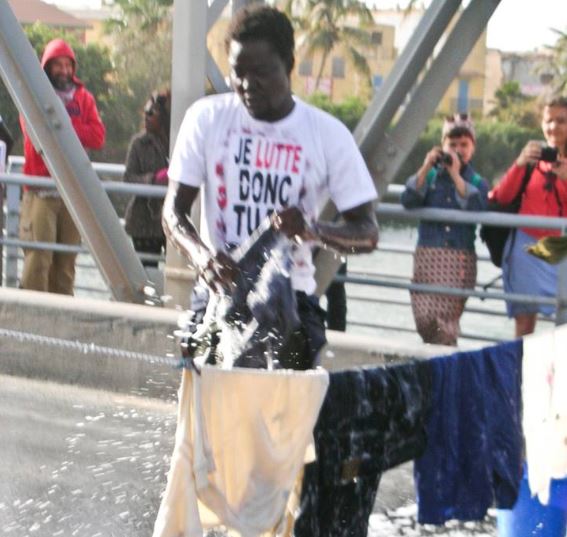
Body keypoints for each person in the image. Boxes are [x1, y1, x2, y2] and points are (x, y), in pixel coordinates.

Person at [162, 5, 378, 370]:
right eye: (237, 72)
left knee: (280, 425)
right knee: (206, 421)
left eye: (261, 73)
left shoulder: (327, 134)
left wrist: (311, 229)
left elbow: (368, 233)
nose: (247, 85)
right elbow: (173, 213)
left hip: (293, 301)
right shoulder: (206, 118)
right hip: (218, 297)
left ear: (289, 65)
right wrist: (203, 259)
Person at [19, 38, 105, 295]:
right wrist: (76, 128)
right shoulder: (34, 94)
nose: (64, 71)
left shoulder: (84, 97)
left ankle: (64, 324)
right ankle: (32, 321)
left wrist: (63, 125)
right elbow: (36, 137)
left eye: (68, 65)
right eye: (58, 65)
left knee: (66, 263)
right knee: (38, 260)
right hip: (40, 191)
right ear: (47, 67)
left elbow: (98, 136)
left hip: (72, 193)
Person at [401, 114, 488, 346]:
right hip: (428, 256)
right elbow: (408, 199)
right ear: (442, 146)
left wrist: (456, 175)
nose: (458, 149)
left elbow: (477, 206)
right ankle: (440, 364)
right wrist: (426, 165)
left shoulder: (477, 181)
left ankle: (441, 367)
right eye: (452, 144)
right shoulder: (430, 176)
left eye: (464, 145)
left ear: (473, 148)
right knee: (424, 316)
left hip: (458, 258)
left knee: (446, 324)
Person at [490, 95, 567, 337]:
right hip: (526, 249)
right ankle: (519, 373)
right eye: (549, 120)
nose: (553, 127)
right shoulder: (532, 160)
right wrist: (520, 163)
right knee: (524, 325)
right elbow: (502, 197)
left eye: (561, 120)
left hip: (562, 250)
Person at [123, 89, 170, 268]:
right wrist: (153, 180)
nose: (146, 116)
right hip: (144, 222)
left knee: (176, 275)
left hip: (171, 221)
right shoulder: (139, 143)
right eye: (145, 112)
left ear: (165, 116)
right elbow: (128, 178)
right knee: (147, 275)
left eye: (152, 113)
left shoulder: (178, 141)